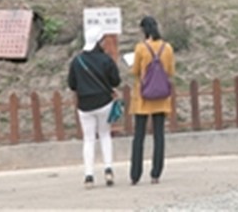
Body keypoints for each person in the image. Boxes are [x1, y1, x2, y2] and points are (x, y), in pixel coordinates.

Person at [67, 29, 121, 189]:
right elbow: (115, 81)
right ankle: (108, 169)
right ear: (98, 42)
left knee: (89, 139)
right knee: (105, 135)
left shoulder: (77, 61)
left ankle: (89, 175)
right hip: (104, 102)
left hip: (85, 105)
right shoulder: (106, 59)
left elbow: (72, 84)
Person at [130, 16, 175, 185]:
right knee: (159, 136)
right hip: (161, 97)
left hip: (143, 97)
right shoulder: (167, 48)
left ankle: (135, 174)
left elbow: (135, 71)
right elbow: (170, 71)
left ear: (143, 30)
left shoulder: (141, 48)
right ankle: (156, 173)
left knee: (139, 137)